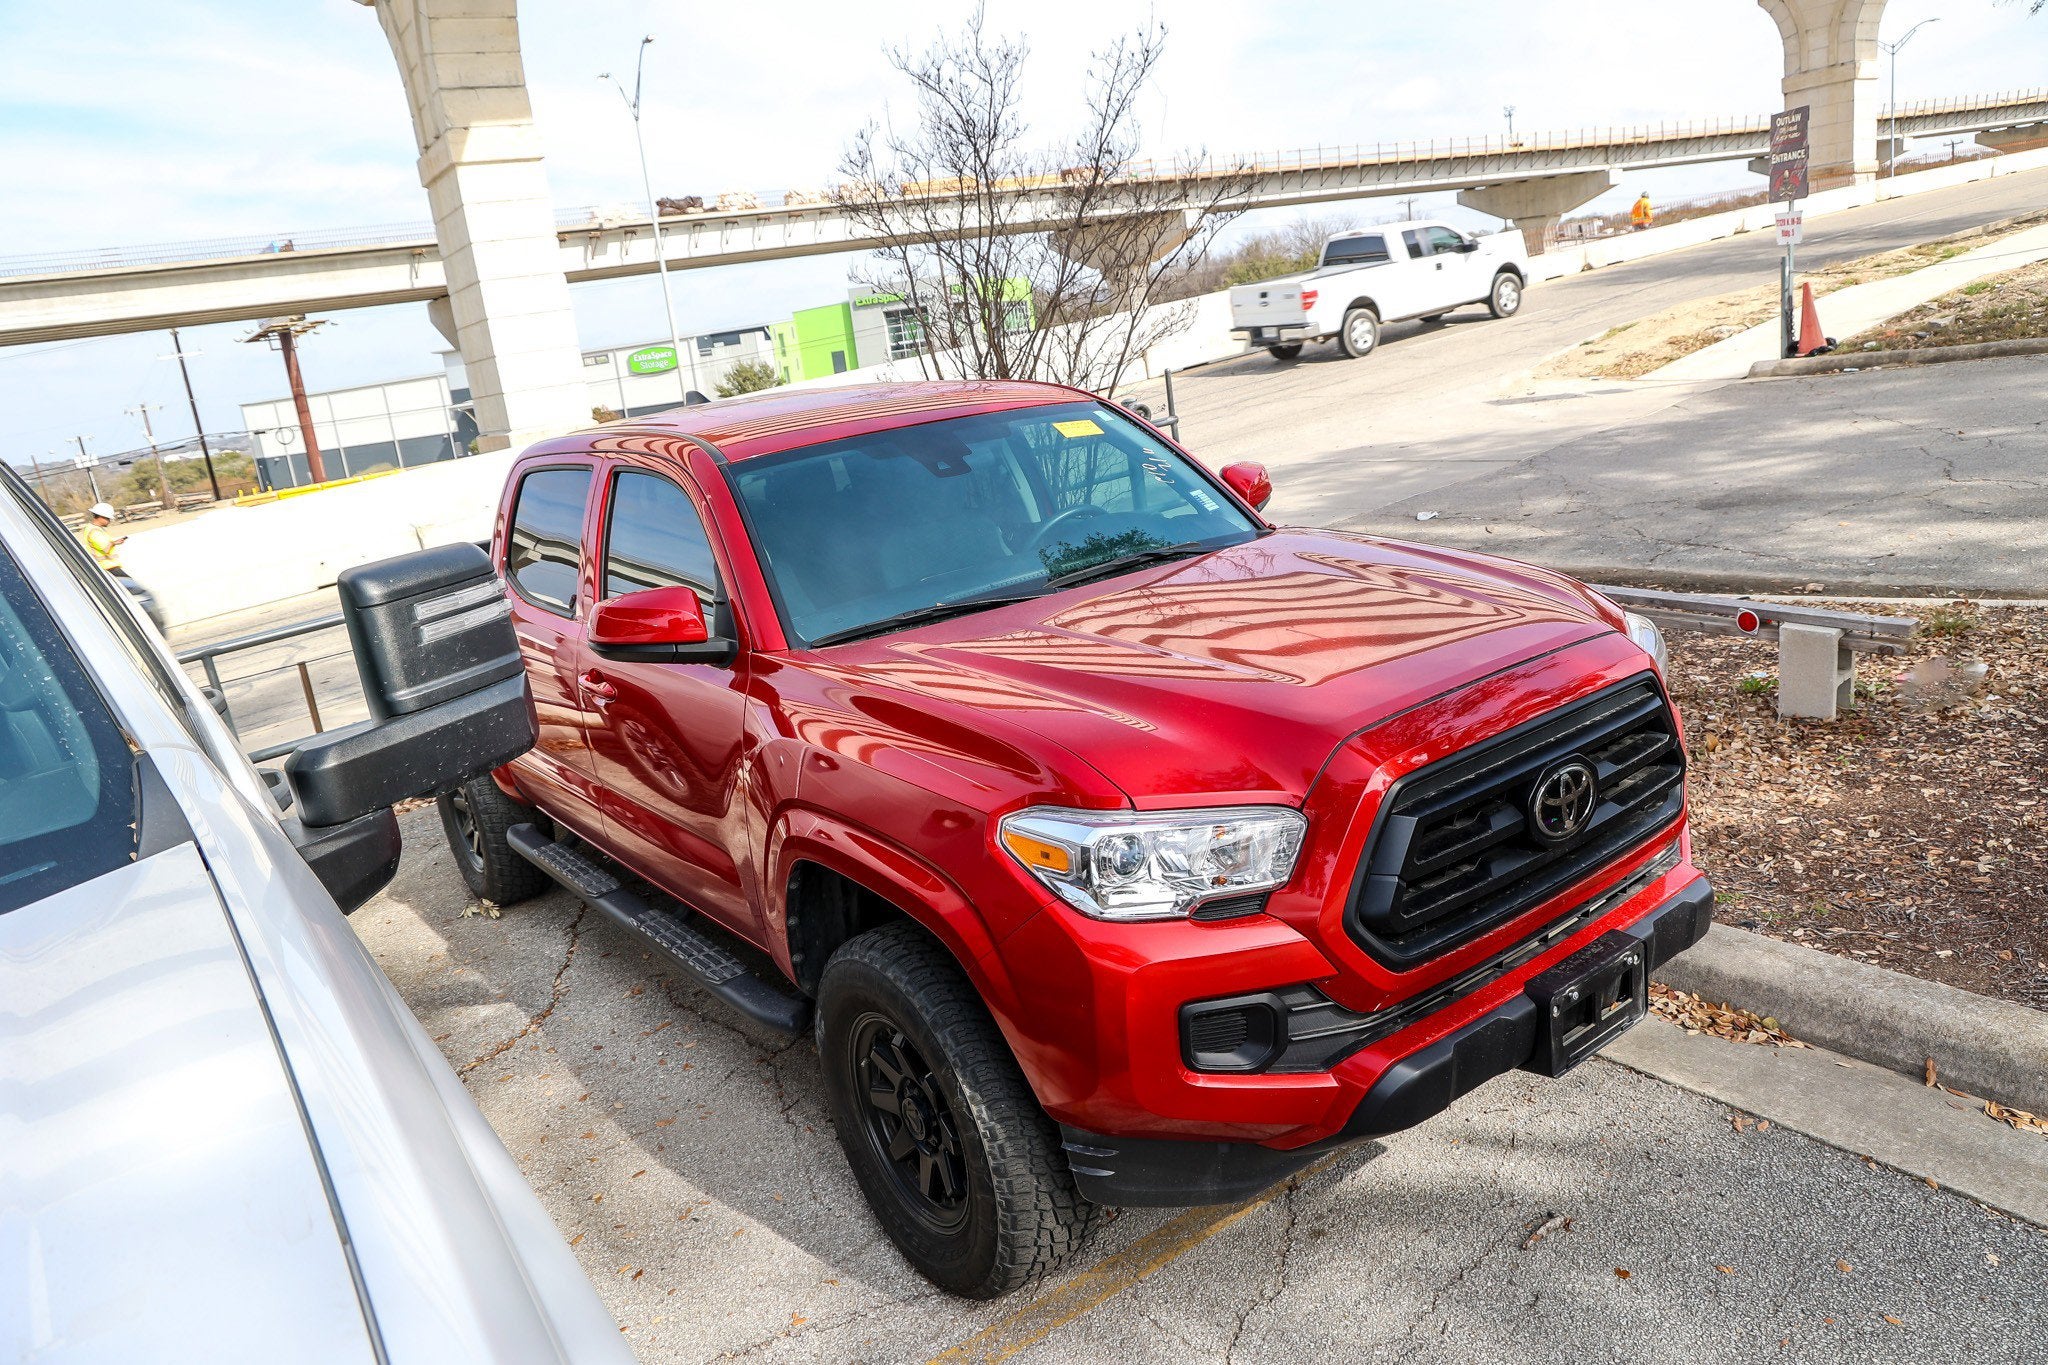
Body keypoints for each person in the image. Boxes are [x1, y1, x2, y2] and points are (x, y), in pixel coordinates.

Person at [82, 502, 127, 574]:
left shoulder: (93, 528)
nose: (109, 521)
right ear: (100, 516)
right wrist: (114, 543)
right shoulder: (94, 531)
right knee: (130, 585)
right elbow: (106, 549)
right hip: (108, 567)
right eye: (108, 518)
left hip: (107, 567)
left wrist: (114, 543)